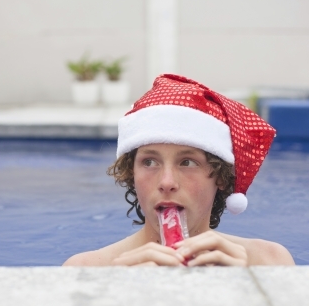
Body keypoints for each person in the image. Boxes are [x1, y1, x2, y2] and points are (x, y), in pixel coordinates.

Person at [63, 74, 295, 266]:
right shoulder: (86, 270)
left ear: (222, 177)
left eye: (187, 162)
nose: (167, 181)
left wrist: (242, 292)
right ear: (131, 174)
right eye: (150, 162)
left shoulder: (268, 262)